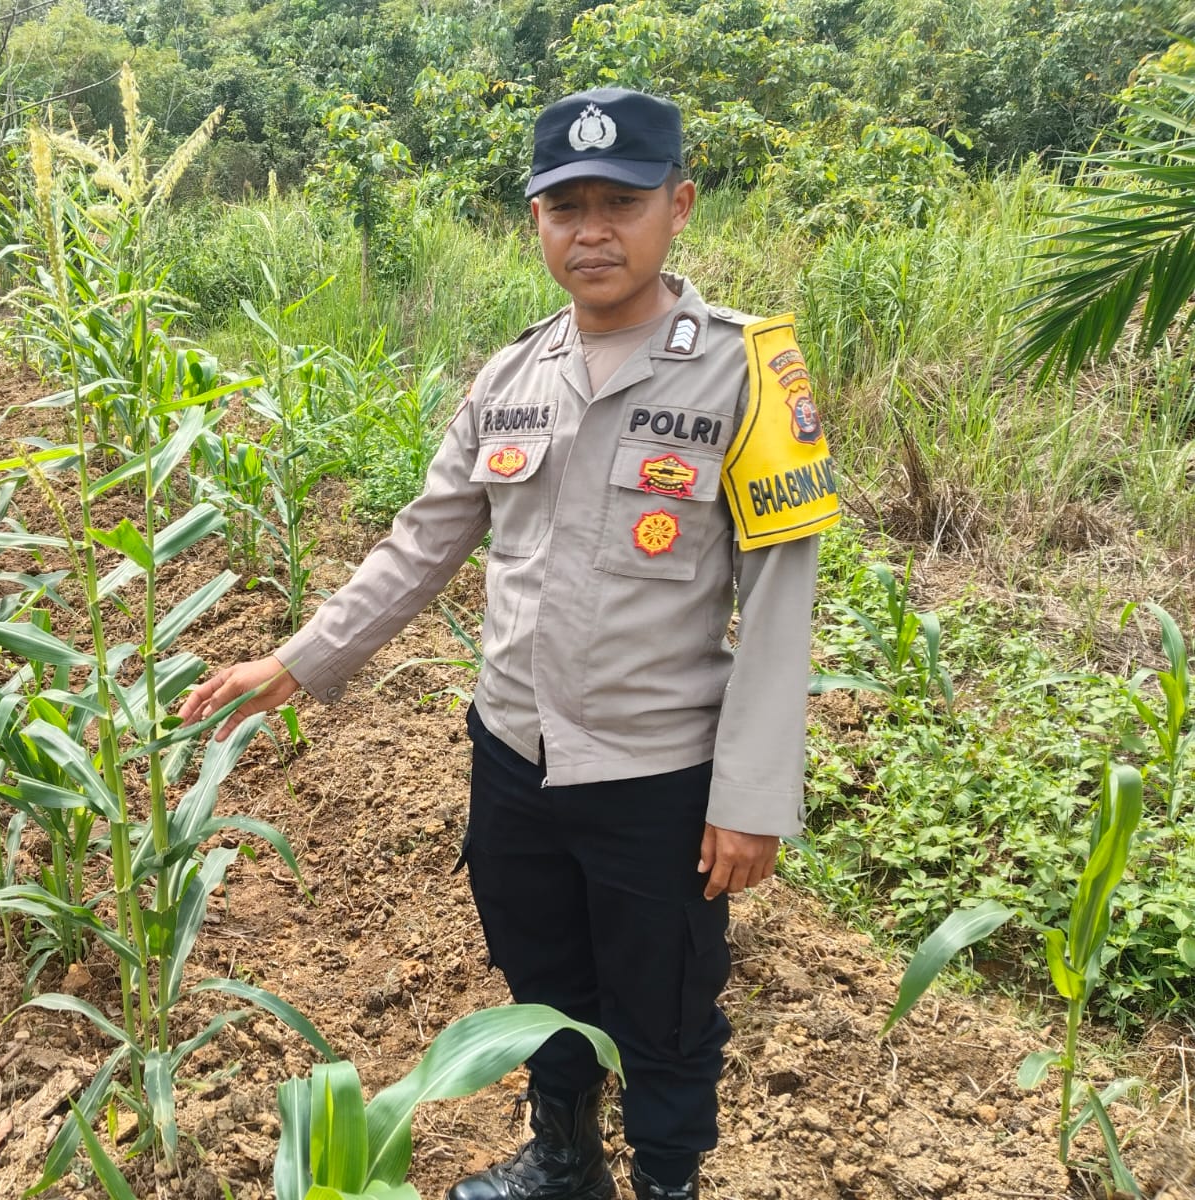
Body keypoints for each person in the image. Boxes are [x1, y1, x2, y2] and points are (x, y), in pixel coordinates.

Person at [178, 87, 840, 1200]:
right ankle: (567, 1160)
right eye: (565, 208)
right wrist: (299, 660)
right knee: (543, 981)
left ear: (678, 206)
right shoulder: (511, 375)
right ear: (535, 221)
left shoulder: (744, 371)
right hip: (514, 757)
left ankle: (666, 1182)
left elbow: (781, 598)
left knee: (668, 1008)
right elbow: (423, 542)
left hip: (654, 776)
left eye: (621, 203)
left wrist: (752, 797)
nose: (592, 232)